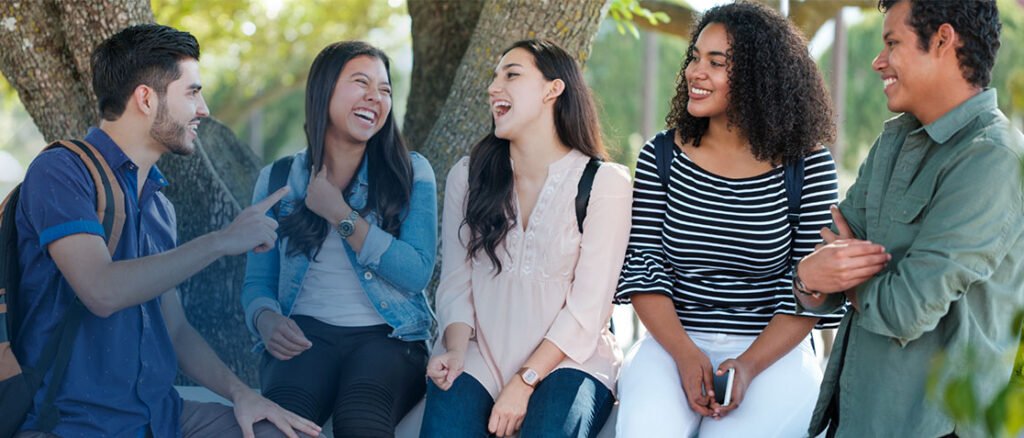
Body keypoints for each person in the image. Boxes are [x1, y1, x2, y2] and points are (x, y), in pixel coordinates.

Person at [11, 24, 321, 438]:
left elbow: (174, 329)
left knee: (285, 433)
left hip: (161, 418)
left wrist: (242, 394)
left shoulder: (159, 206)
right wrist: (221, 241)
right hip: (73, 424)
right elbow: (101, 290)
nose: (203, 109)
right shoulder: (61, 171)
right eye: (192, 93)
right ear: (145, 98)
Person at [612, 2, 845, 437]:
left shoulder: (808, 165)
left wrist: (749, 365)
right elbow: (644, 266)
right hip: (672, 344)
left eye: (716, 63)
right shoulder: (661, 156)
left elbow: (811, 286)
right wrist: (685, 354)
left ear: (759, 77)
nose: (695, 72)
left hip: (772, 353)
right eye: (695, 58)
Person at [795, 0, 1024, 436]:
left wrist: (846, 278)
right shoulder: (893, 141)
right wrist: (809, 278)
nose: (878, 61)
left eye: (892, 43)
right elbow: (826, 264)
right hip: (854, 418)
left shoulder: (994, 158)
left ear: (942, 40)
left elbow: (907, 310)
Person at [419, 39, 632, 438]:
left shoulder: (605, 184)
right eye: (494, 77)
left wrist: (525, 380)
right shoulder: (468, 176)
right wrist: (456, 351)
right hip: (479, 353)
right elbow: (455, 283)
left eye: (511, 75)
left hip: (570, 361)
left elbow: (589, 309)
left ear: (553, 89)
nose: (493, 88)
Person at [241, 41, 437, 437]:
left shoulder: (412, 172)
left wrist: (340, 214)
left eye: (384, 89)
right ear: (324, 90)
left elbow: (417, 271)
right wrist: (265, 319)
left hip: (390, 337)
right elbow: (257, 282)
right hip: (305, 337)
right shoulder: (278, 178)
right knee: (276, 429)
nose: (375, 97)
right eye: (361, 83)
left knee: (360, 421)